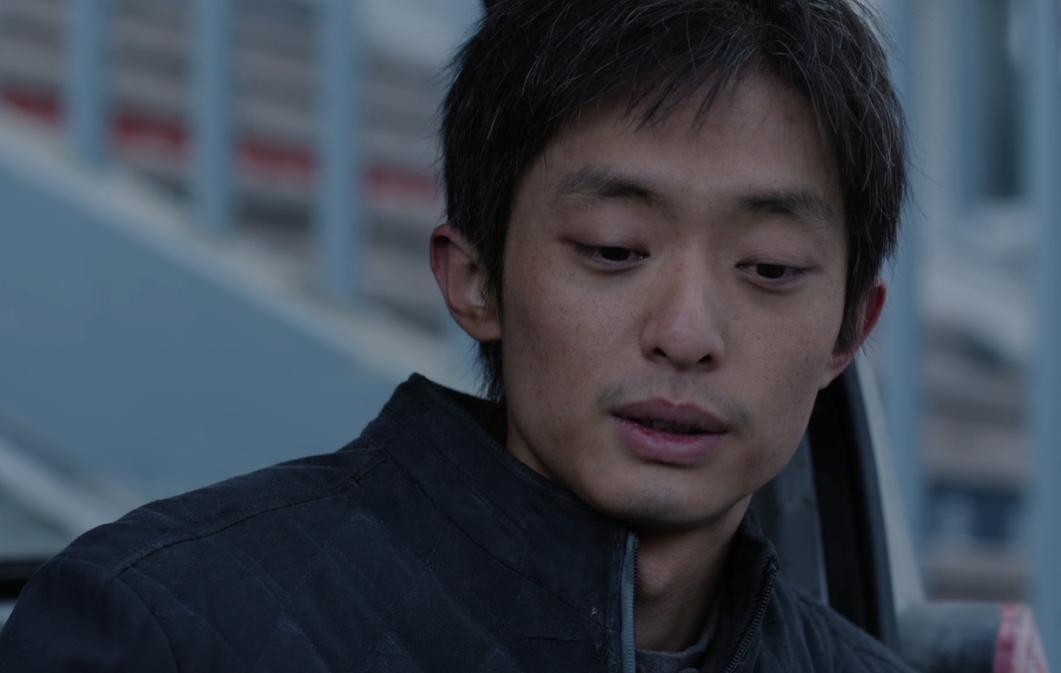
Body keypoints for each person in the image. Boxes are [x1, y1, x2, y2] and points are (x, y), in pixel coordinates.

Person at [0, 1, 914, 671]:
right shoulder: (163, 632)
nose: (684, 333)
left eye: (769, 268)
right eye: (612, 249)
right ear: (473, 280)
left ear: (849, 330)